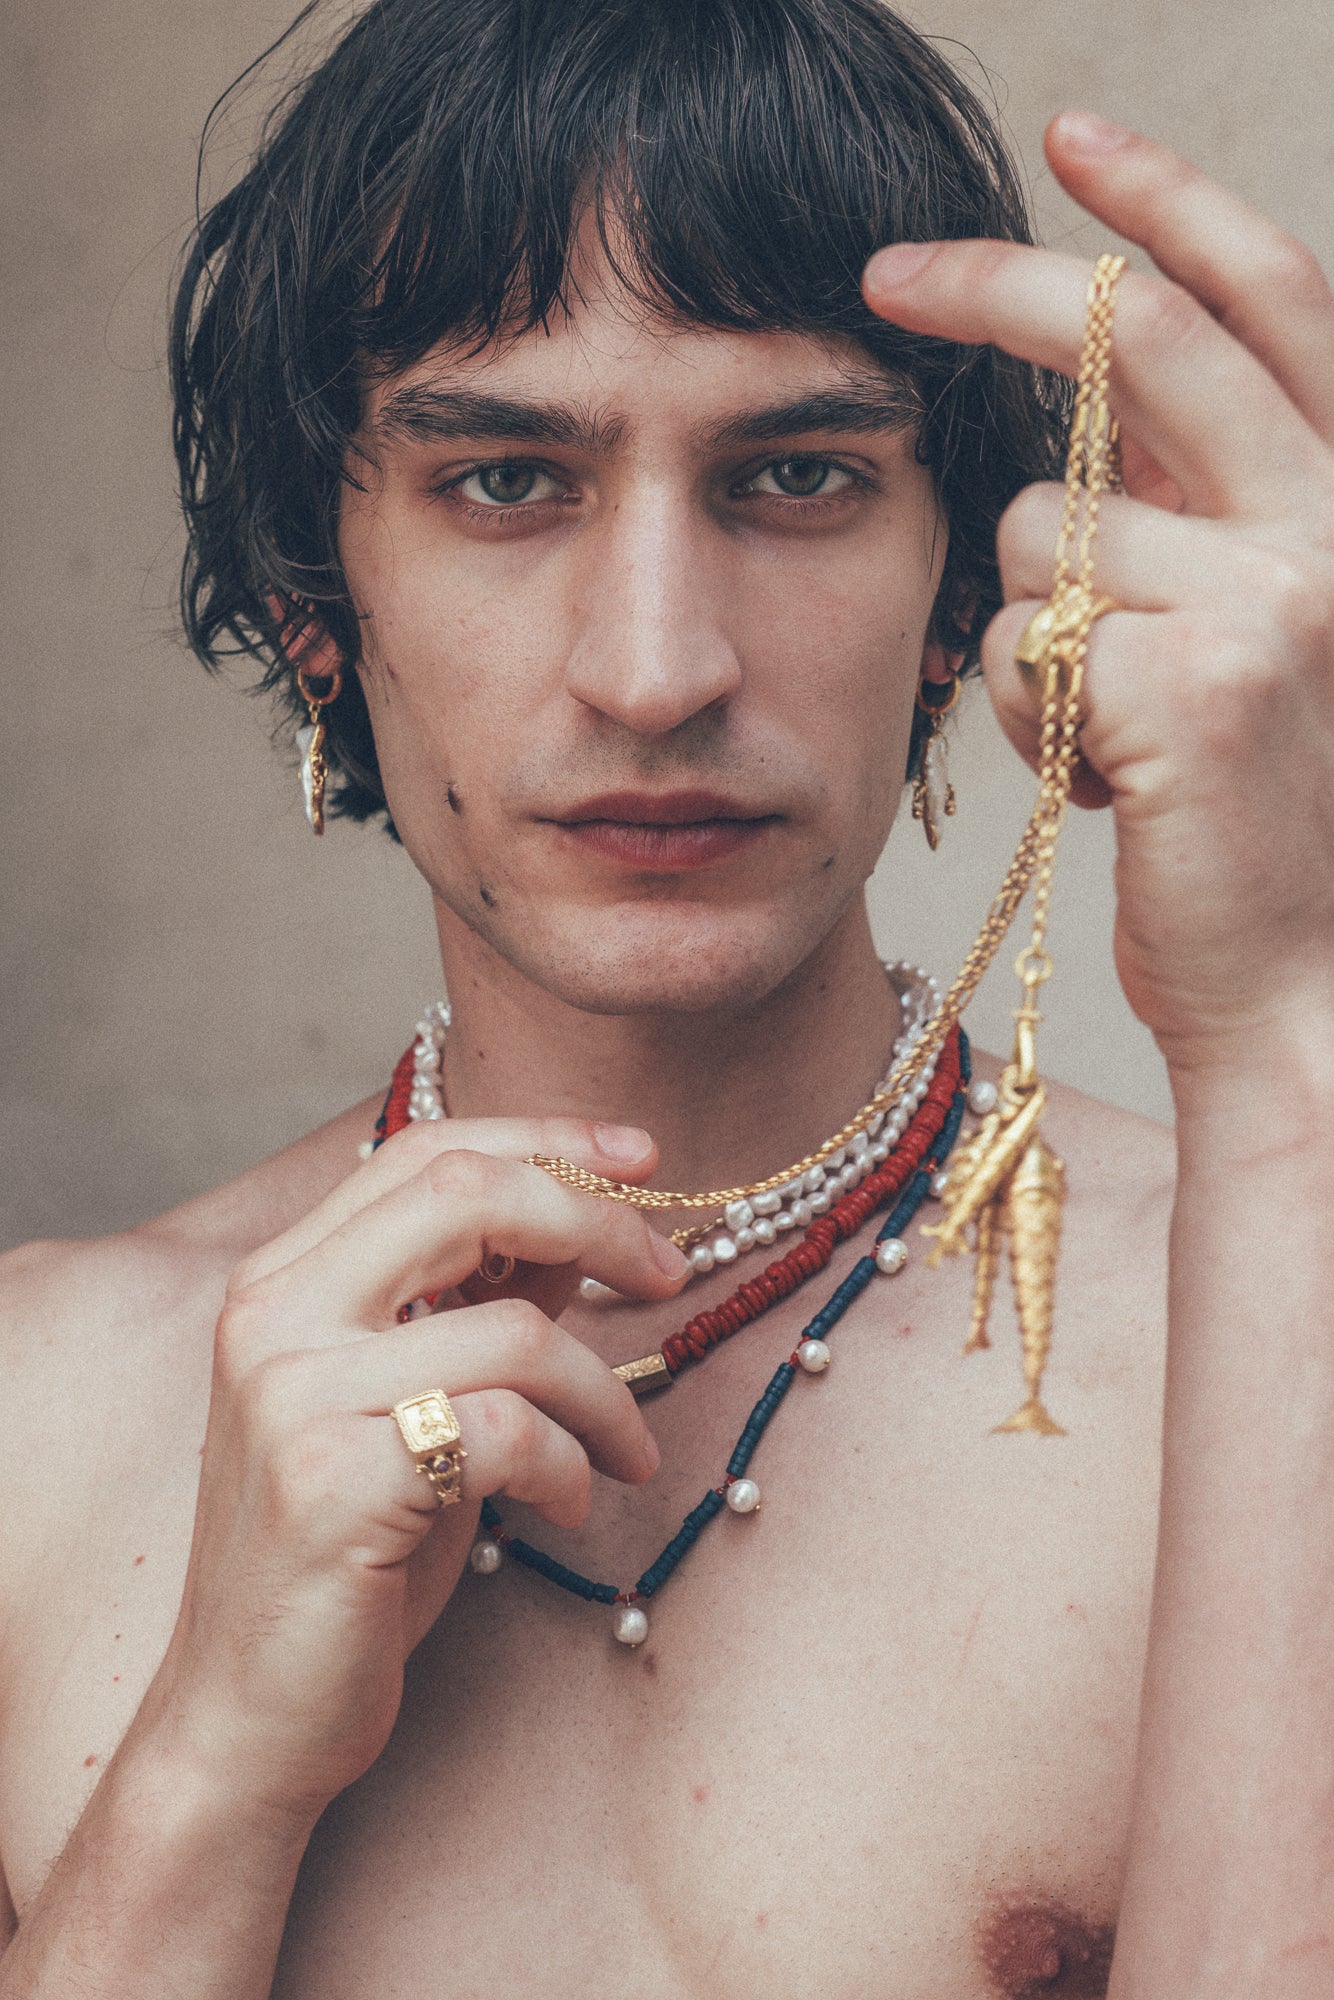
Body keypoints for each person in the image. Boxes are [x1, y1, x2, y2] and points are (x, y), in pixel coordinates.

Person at [1, 0, 1331, 1992]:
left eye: (793, 475)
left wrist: (1287, 1037)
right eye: (503, 482)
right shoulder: (35, 1416)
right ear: (312, 603)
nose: (654, 669)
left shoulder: (1272, 1318)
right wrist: (204, 1768)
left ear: (963, 587)